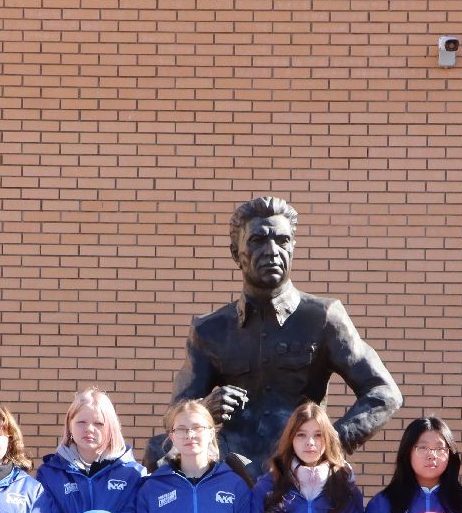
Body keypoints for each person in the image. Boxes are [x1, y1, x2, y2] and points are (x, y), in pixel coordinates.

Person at [150, 196, 402, 472]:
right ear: (236, 253)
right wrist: (205, 410)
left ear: (293, 248)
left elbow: (383, 392)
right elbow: (174, 415)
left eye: (282, 241)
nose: (271, 251)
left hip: (298, 467)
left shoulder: (323, 317)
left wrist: (329, 445)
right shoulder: (210, 329)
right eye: (257, 240)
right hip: (229, 469)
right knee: (157, 450)